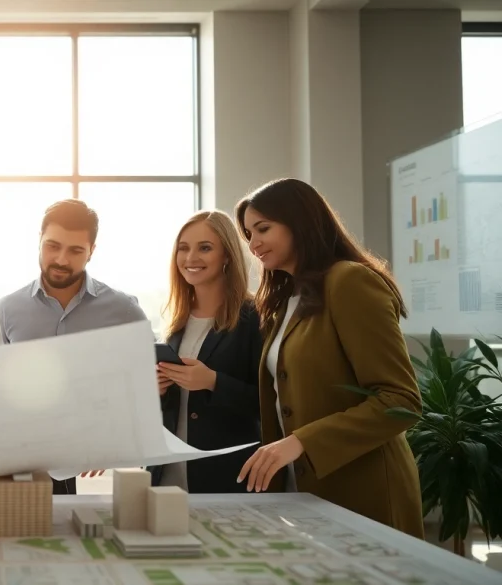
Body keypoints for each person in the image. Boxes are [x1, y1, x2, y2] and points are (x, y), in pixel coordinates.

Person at [234, 177, 423, 538]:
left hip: (361, 492)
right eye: (248, 234)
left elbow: (400, 400)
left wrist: (301, 441)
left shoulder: (349, 281)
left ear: (300, 222)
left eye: (263, 229)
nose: (253, 244)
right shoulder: (285, 302)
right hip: (302, 493)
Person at [0, 198, 149, 494]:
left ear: (91, 251)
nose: (62, 260)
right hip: (28, 464)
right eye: (53, 246)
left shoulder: (123, 309)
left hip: (99, 468)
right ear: (39, 241)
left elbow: (148, 383)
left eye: (76, 250)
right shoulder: (7, 309)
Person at [148, 210, 262, 493]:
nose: (190, 258)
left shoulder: (254, 317)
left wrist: (213, 382)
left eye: (205, 248)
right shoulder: (176, 323)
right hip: (166, 475)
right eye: (183, 248)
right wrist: (157, 390)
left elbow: (270, 403)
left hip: (226, 474)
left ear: (227, 256)